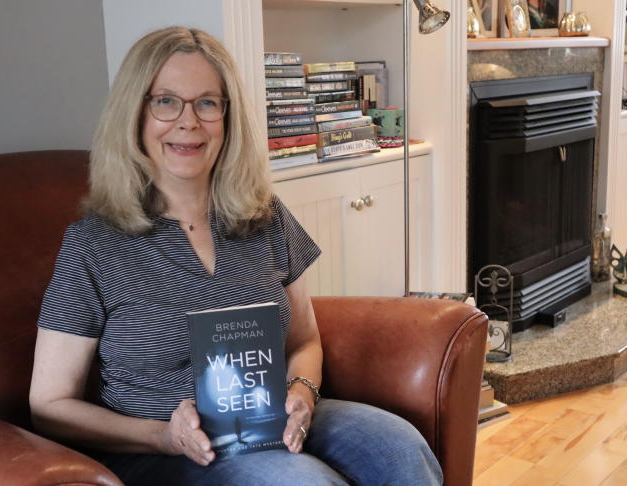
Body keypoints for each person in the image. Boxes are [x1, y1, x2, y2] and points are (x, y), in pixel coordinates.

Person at [29, 26, 443, 486]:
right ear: (135, 113)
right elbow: (49, 406)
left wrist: (302, 394)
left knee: (402, 450)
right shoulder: (93, 243)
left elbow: (305, 340)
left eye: (207, 102)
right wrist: (163, 436)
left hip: (272, 418)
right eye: (165, 101)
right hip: (169, 450)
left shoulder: (264, 215)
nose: (188, 121)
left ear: (227, 117)